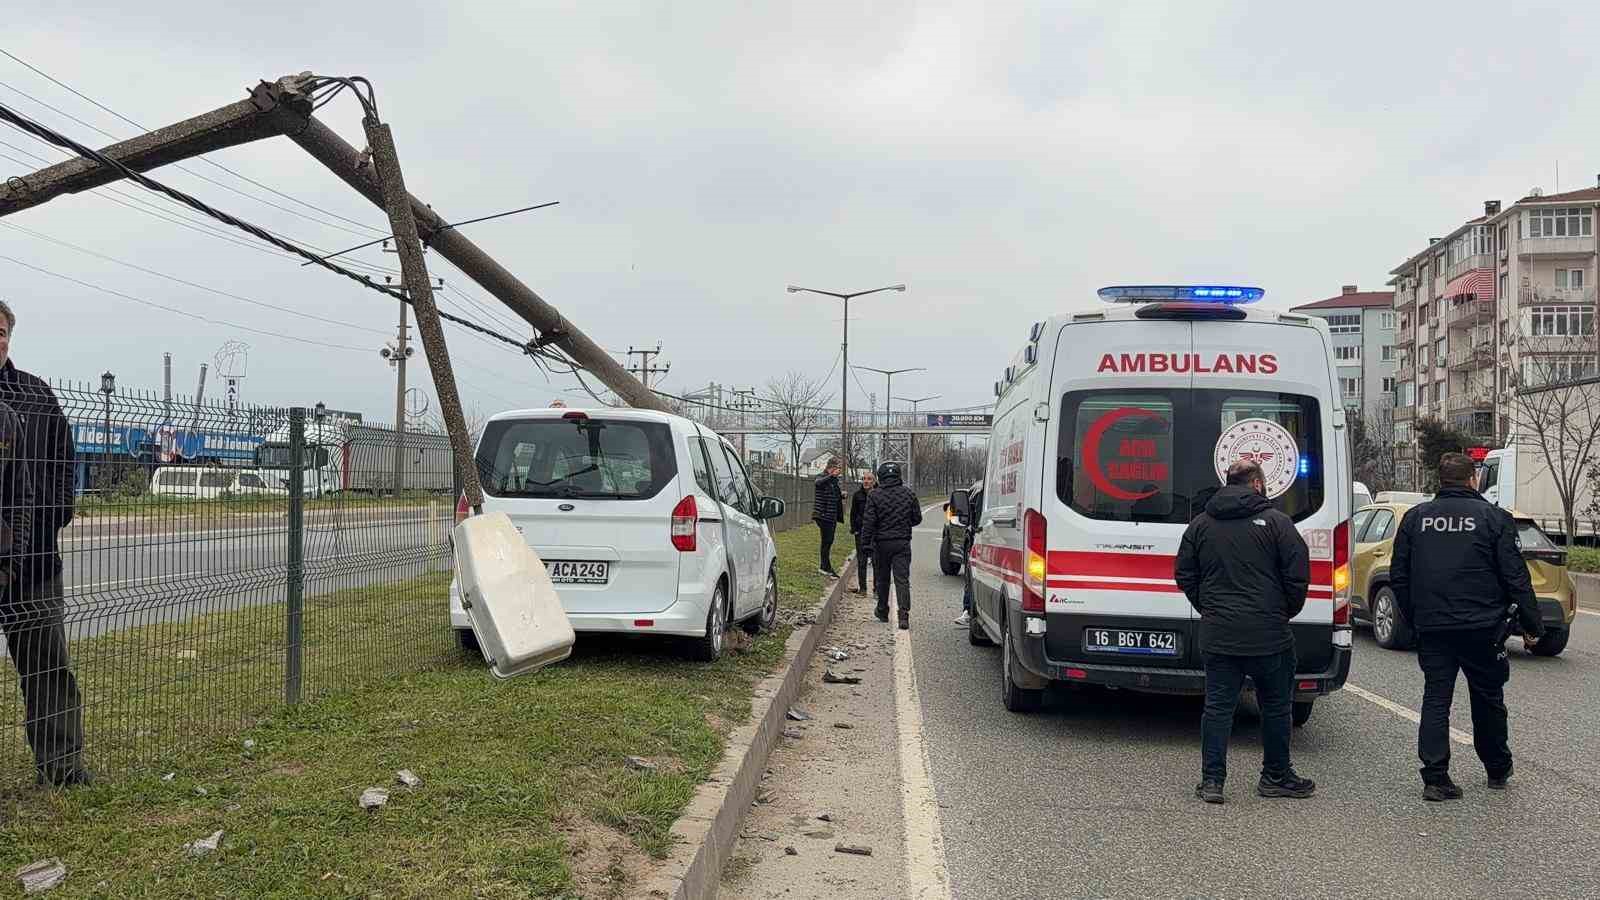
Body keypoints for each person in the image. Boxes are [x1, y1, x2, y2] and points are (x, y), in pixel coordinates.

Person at [1392, 452, 1544, 801]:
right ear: (1473, 479)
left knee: (1436, 698)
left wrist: (1415, 617)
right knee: (1488, 697)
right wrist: (1532, 625)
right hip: (1483, 627)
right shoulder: (1494, 518)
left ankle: (1435, 777)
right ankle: (1497, 768)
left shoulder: (1416, 518)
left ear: (1441, 480)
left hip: (1433, 627)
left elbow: (1399, 575)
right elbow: (1515, 577)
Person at [1175, 460, 1315, 805]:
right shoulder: (1278, 524)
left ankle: (1212, 781)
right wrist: (1282, 612)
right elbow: (1298, 575)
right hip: (1270, 635)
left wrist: (1209, 607)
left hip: (1220, 633)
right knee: (1276, 706)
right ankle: (1276, 776)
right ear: (1256, 484)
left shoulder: (1201, 524)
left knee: (1218, 708)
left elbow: (1185, 574)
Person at [0, 300, 88, 787]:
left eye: (1, 331)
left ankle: (62, 767)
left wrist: (47, 523)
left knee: (48, 668)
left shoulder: (34, 394)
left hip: (32, 563)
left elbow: (62, 464)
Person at [860, 461, 921, 630]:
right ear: (898, 476)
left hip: (881, 543)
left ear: (880, 477)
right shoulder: (909, 494)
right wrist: (903, 524)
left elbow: (869, 522)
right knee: (902, 579)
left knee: (882, 578)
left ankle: (882, 610)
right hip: (902, 542)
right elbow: (917, 518)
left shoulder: (874, 495)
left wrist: (865, 543)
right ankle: (903, 615)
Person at [955, 486, 983, 628]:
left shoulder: (981, 491)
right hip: (981, 541)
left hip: (979, 542)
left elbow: (972, 522)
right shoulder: (981, 490)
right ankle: (969, 612)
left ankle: (969, 612)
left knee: (971, 577)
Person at [847, 470, 878, 594]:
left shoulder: (879, 494)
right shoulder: (857, 495)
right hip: (861, 531)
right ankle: (863, 588)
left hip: (875, 533)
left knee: (876, 561)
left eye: (869, 479)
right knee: (861, 561)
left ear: (874, 481)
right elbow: (853, 513)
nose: (866, 481)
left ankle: (877, 589)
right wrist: (854, 529)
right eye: (864, 479)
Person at [812, 458, 843, 578]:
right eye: (838, 468)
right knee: (826, 541)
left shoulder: (834, 481)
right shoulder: (822, 476)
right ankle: (825, 567)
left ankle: (825, 566)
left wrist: (841, 495)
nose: (839, 470)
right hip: (823, 515)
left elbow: (832, 495)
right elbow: (818, 483)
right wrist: (831, 476)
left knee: (829, 541)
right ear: (832, 467)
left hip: (831, 515)